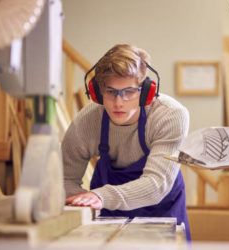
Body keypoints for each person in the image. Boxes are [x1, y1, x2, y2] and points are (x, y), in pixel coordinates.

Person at [62, 44, 191, 240]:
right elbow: (64, 178)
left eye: (129, 91)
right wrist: (81, 202)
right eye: (111, 91)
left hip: (162, 212)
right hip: (108, 215)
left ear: (146, 91)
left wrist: (100, 196)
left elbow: (156, 185)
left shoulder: (170, 115)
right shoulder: (88, 121)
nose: (118, 102)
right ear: (97, 92)